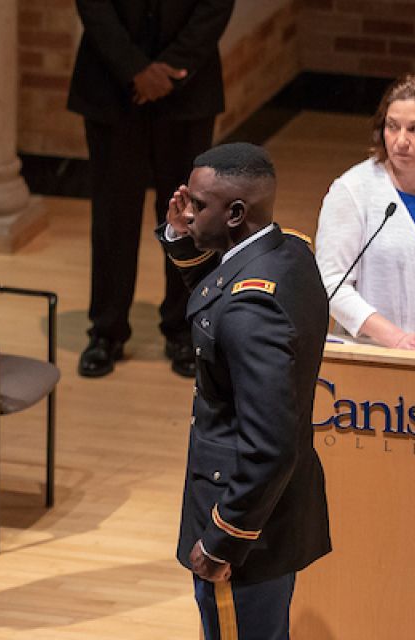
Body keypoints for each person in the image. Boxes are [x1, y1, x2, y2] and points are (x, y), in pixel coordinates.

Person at [160, 143, 331, 639]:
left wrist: (223, 539)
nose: (187, 212)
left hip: (243, 525)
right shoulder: (289, 251)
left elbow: (269, 446)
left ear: (236, 213)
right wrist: (181, 235)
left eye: (198, 205)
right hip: (276, 513)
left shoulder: (250, 311)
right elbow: (221, 291)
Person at [67, 0, 235, 378]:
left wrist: (169, 72)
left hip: (188, 88)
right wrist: (135, 70)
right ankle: (106, 331)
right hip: (111, 85)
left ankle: (183, 328)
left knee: (189, 215)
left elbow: (214, 8)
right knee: (113, 215)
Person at [315, 74, 415, 354]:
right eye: (392, 127)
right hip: (384, 354)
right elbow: (331, 284)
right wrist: (397, 338)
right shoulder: (353, 190)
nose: (400, 141)